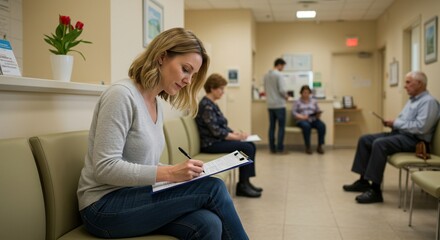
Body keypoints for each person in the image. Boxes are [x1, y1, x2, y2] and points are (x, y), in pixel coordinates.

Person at [77, 28, 249, 239]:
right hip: (103, 206)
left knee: (209, 223)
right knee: (213, 188)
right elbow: (105, 168)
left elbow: (142, 163)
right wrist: (170, 174)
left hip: (134, 194)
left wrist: (182, 171)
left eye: (193, 75)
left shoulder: (155, 103)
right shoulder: (121, 96)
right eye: (185, 69)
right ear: (161, 57)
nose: (188, 80)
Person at [343, 71, 440, 204]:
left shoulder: (428, 102)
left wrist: (396, 123)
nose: (405, 86)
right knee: (365, 139)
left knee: (380, 144)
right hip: (401, 135)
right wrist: (392, 123)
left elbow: (421, 127)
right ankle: (363, 181)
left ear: (419, 83)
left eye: (408, 82)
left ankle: (375, 191)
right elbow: (404, 122)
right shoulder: (412, 101)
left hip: (416, 141)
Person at [196, 73, 262, 198]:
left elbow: (222, 127)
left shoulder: (212, 104)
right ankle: (242, 186)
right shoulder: (206, 106)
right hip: (210, 144)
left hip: (217, 141)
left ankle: (246, 182)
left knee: (250, 145)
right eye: (221, 89)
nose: (223, 92)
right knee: (247, 147)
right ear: (212, 88)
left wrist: (235, 133)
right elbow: (216, 131)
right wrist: (237, 137)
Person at [263, 58, 288, 154]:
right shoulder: (279, 75)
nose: (283, 68)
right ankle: (280, 148)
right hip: (279, 105)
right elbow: (282, 90)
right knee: (281, 127)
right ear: (279, 65)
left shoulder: (266, 75)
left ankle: (272, 148)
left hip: (270, 105)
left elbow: (265, 89)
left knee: (272, 127)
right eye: (283, 66)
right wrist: (286, 96)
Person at [292, 85, 326, 154]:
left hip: (313, 119)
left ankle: (320, 146)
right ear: (301, 93)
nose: (306, 94)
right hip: (302, 120)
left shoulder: (314, 101)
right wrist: (302, 117)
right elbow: (294, 113)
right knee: (306, 126)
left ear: (310, 93)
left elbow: (317, 110)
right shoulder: (297, 102)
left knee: (322, 126)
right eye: (304, 92)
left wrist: (318, 114)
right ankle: (308, 147)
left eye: (307, 92)